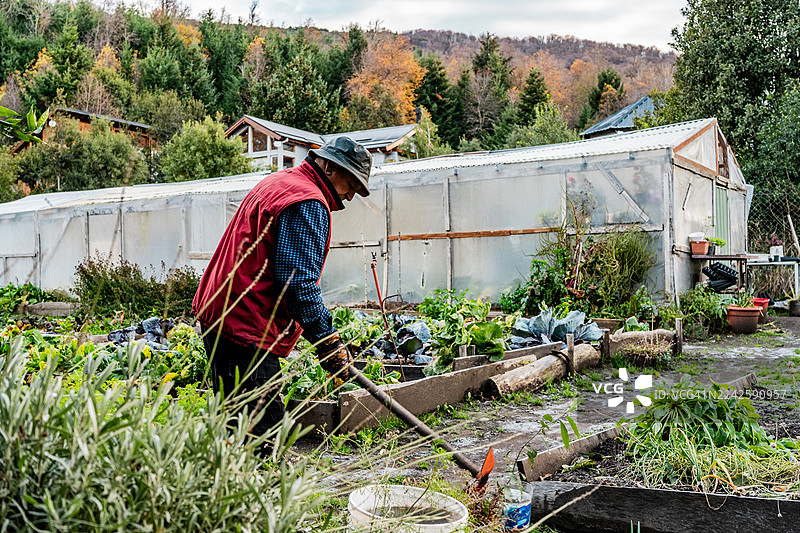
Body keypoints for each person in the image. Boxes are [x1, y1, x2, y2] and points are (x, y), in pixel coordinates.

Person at [192, 136, 371, 439]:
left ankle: (235, 481)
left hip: (223, 313)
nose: (350, 196)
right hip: (245, 324)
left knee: (239, 424)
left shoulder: (281, 182)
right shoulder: (307, 201)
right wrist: (327, 340)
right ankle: (264, 483)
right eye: (350, 182)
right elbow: (297, 282)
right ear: (327, 166)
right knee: (263, 434)